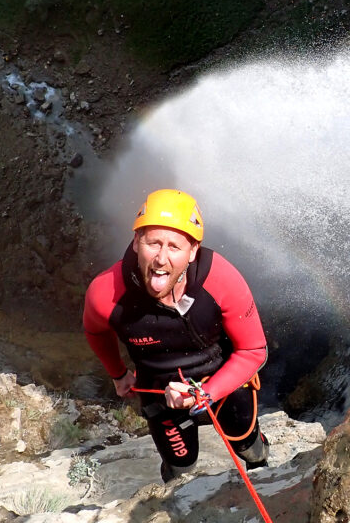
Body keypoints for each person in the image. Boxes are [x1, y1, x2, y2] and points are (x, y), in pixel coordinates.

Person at [82, 188, 269, 482]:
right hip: (158, 389)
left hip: (222, 379)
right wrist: (117, 374)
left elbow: (253, 351)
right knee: (180, 466)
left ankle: (270, 482)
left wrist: (203, 394)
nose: (161, 258)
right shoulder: (106, 293)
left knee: (248, 447)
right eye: (152, 243)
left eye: (174, 246)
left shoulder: (220, 279)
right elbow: (95, 330)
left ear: (193, 251)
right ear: (135, 243)